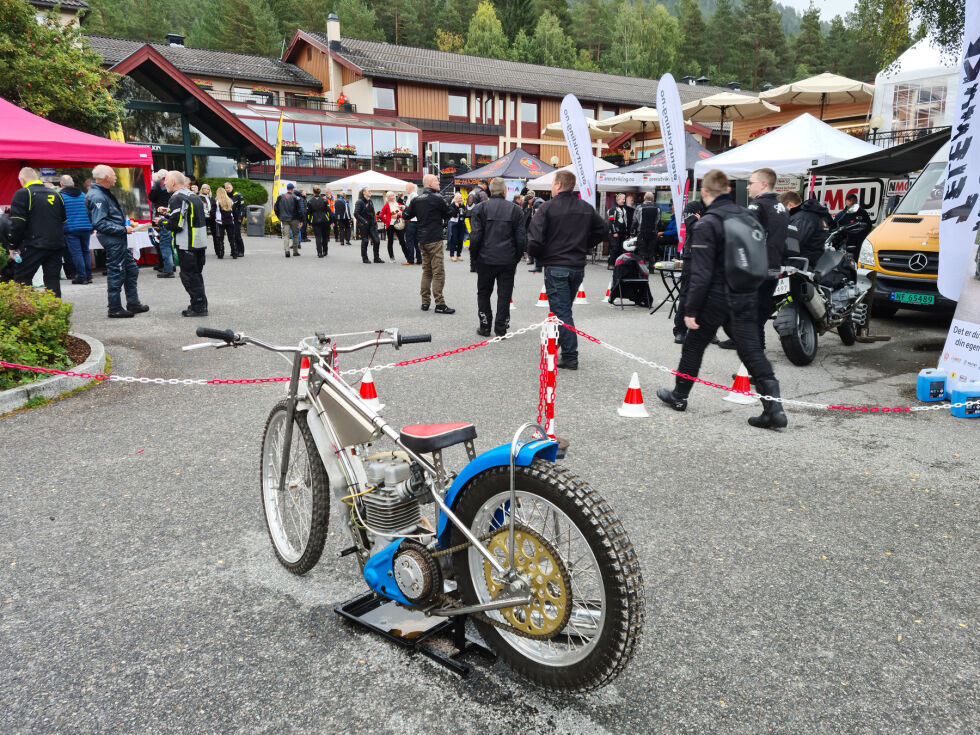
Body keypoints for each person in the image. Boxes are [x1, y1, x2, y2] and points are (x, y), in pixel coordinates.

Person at [656, 169, 787, 429]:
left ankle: (680, 395)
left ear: (705, 193)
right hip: (747, 291)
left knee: (694, 345)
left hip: (717, 296)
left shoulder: (708, 222)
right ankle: (774, 408)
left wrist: (690, 310)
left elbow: (701, 273)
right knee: (751, 351)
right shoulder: (747, 217)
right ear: (728, 191)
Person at [527, 170, 605, 370]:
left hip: (556, 266)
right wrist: (584, 244)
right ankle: (559, 345)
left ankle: (570, 355)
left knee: (561, 311)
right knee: (562, 309)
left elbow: (534, 240)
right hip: (576, 266)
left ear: (559, 185)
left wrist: (539, 255)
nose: (552, 188)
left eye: (553, 184)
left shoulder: (547, 208)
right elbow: (603, 230)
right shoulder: (585, 207)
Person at [85, 165, 147, 317]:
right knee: (116, 271)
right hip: (113, 239)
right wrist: (123, 229)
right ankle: (114, 308)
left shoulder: (101, 193)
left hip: (116, 238)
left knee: (131, 269)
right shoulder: (98, 195)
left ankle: (133, 303)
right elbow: (99, 223)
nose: (116, 177)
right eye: (114, 175)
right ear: (106, 178)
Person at [469, 178, 525, 337]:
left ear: (489, 191)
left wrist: (475, 258)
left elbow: (475, 237)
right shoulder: (516, 210)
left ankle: (485, 326)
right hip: (507, 258)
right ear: (505, 191)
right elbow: (521, 238)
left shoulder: (480, 208)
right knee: (505, 294)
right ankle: (501, 327)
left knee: (484, 293)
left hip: (485, 258)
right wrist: (516, 257)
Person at [745, 167, 789, 350]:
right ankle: (756, 364)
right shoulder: (781, 207)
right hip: (773, 267)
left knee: (750, 316)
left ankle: (756, 367)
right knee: (758, 316)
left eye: (750, 182)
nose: (747, 187)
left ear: (763, 184)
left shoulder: (758, 205)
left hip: (758, 268)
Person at [9, 168, 66, 297]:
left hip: (33, 244)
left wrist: (13, 246)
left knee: (22, 278)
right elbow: (63, 220)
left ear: (22, 180)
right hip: (56, 243)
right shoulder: (56, 194)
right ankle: (54, 312)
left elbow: (17, 224)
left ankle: (26, 312)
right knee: (52, 280)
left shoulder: (23, 193)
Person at [404, 174, 453, 313]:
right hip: (434, 238)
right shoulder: (437, 197)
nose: (439, 182)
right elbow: (449, 212)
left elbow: (406, 215)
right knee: (438, 272)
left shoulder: (417, 199)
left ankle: (425, 302)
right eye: (437, 181)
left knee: (427, 271)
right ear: (430, 183)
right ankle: (440, 304)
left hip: (422, 239)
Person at [164, 171, 208, 316]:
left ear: (173, 182)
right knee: (196, 275)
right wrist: (168, 214)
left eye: (166, 180)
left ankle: (198, 307)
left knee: (188, 276)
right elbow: (188, 216)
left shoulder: (176, 198)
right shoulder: (193, 195)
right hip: (199, 241)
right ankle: (200, 304)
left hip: (187, 243)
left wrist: (162, 222)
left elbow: (176, 223)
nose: (164, 183)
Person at [672, 200, 705, 343]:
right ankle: (680, 330)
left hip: (709, 258)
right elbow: (692, 226)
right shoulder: (693, 206)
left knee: (707, 296)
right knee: (686, 295)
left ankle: (705, 330)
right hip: (692, 256)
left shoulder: (716, 208)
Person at [780, 191, 835, 267]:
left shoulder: (802, 218)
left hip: (798, 263)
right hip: (810, 261)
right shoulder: (814, 214)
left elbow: (793, 244)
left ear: (790, 204)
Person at [60, 175, 93, 285]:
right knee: (85, 251)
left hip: (71, 228)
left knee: (76, 253)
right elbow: (90, 211)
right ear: (73, 183)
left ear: (61, 184)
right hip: (85, 227)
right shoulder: (83, 195)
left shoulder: (60, 197)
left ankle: (82, 276)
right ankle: (88, 275)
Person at [149, 169, 175, 277]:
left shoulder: (158, 184)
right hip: (170, 215)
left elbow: (151, 197)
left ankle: (168, 269)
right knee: (168, 242)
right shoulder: (172, 184)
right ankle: (171, 265)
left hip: (161, 215)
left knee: (164, 244)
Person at [833, 193, 873, 258]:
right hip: (844, 245)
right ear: (846, 202)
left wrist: (860, 236)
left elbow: (868, 226)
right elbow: (834, 228)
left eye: (854, 200)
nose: (852, 202)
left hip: (858, 243)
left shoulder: (863, 213)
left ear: (856, 202)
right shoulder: (840, 215)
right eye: (850, 200)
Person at [630, 192, 661, 264]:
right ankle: (651, 268)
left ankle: (642, 267)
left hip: (642, 232)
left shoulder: (639, 207)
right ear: (653, 199)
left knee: (641, 250)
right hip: (653, 232)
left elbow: (635, 221)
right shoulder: (657, 208)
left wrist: (632, 232)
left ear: (644, 198)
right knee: (651, 250)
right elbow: (658, 221)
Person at [354, 187, 382, 263]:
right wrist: (364, 221)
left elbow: (373, 213)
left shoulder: (370, 201)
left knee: (377, 240)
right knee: (365, 240)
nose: (370, 191)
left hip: (372, 224)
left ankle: (376, 258)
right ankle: (365, 258)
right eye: (368, 191)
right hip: (364, 224)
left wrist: (375, 221)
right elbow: (356, 213)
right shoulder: (359, 202)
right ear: (364, 192)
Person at [274, 183, 302, 258]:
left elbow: (276, 207)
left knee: (286, 235)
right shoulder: (296, 198)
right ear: (293, 189)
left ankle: (287, 250)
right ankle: (295, 251)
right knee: (295, 235)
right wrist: (301, 219)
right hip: (294, 219)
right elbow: (299, 210)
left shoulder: (281, 196)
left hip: (284, 219)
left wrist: (279, 216)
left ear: (287, 189)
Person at [379, 190, 407, 262]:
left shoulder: (398, 204)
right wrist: (387, 221)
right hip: (390, 225)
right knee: (390, 241)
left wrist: (398, 214)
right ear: (388, 198)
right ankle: (391, 257)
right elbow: (380, 215)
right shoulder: (386, 205)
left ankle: (408, 257)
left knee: (402, 241)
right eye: (391, 196)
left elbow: (405, 209)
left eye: (393, 195)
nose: (393, 197)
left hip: (398, 224)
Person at [222, 181, 246, 258]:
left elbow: (243, 208)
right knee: (231, 236)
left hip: (236, 219)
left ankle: (241, 251)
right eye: (226, 188)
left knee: (237, 235)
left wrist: (240, 217)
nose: (228, 189)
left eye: (229, 187)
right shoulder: (225, 197)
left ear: (231, 187)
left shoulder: (238, 195)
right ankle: (234, 250)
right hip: (228, 219)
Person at [307, 186, 332, 258]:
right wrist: (330, 220)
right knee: (325, 236)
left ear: (313, 192)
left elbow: (308, 213)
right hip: (325, 220)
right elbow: (328, 211)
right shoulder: (324, 200)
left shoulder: (310, 201)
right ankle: (325, 251)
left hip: (315, 221)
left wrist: (309, 222)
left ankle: (319, 253)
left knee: (318, 237)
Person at [606, 193, 630, 268]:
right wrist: (614, 232)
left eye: (624, 199)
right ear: (618, 200)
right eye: (623, 199)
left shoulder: (624, 209)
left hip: (622, 233)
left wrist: (626, 232)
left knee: (620, 248)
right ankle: (611, 264)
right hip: (615, 233)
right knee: (614, 248)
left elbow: (625, 221)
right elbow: (611, 222)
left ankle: (618, 264)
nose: (624, 200)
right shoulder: (613, 210)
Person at [213, 186, 235, 258]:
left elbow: (213, 212)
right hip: (230, 221)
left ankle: (220, 253)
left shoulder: (216, 202)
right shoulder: (230, 201)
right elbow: (233, 211)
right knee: (231, 238)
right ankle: (234, 253)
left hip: (220, 222)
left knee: (220, 238)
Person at [402, 182, 420, 264]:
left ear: (410, 188)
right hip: (417, 221)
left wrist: (404, 211)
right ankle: (419, 260)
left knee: (410, 241)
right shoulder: (416, 195)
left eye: (406, 188)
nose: (406, 190)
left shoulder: (413, 196)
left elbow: (411, 208)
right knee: (416, 241)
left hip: (411, 221)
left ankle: (410, 260)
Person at [447, 192, 465, 262]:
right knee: (453, 239)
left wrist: (462, 214)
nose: (461, 199)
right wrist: (457, 208)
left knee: (460, 240)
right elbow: (453, 214)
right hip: (454, 224)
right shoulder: (452, 205)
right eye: (459, 198)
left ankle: (458, 255)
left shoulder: (462, 205)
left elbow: (465, 213)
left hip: (461, 223)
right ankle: (452, 255)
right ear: (456, 198)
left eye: (461, 198)